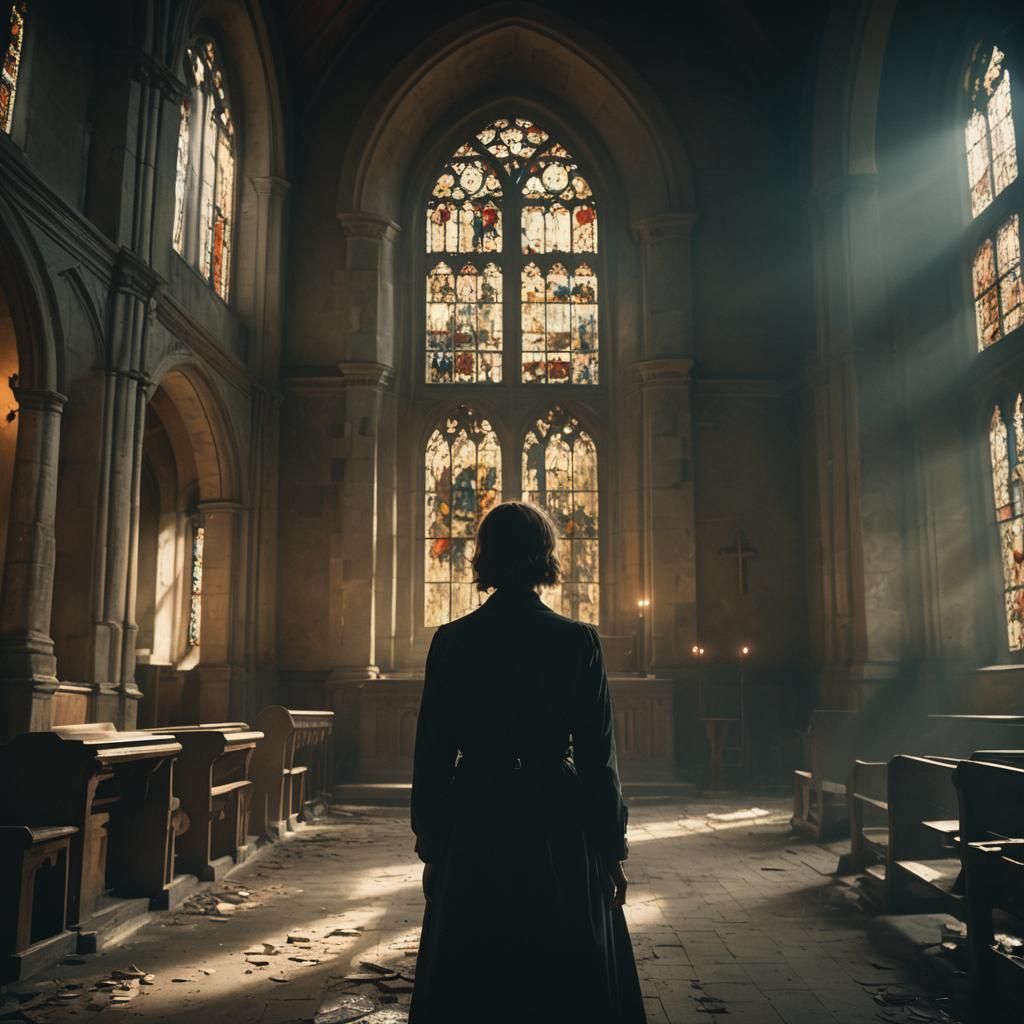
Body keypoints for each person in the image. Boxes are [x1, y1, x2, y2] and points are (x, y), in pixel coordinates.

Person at [409, 501, 646, 1024]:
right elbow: (597, 759)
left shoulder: (452, 643)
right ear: (545, 557)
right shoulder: (576, 641)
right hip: (554, 821)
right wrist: (612, 849)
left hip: (477, 819)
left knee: (476, 973)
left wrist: (431, 844)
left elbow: (430, 760)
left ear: (484, 557)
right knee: (561, 972)